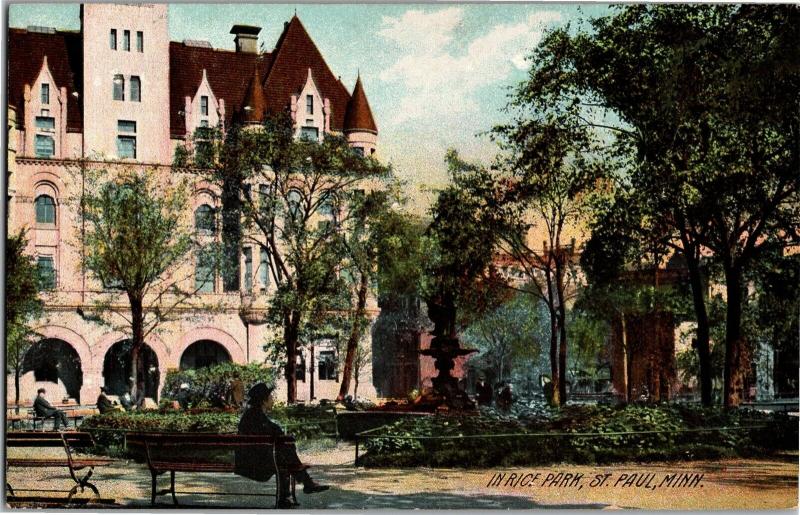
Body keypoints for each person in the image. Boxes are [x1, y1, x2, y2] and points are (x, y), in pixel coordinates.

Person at [235, 383, 329, 508]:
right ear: (264, 401)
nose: (273, 399)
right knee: (284, 458)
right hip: (253, 465)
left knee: (284, 456)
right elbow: (277, 432)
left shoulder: (250, 415)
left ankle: (303, 486)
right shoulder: (257, 417)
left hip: (245, 461)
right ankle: (301, 487)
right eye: (271, 397)